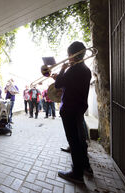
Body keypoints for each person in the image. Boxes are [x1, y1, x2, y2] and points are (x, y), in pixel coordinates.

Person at [52, 41, 93, 184]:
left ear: (73, 54)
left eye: (69, 55)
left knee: (73, 141)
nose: (68, 58)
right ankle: (83, 166)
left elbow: (58, 85)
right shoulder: (86, 70)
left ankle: (77, 173)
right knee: (80, 140)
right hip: (79, 109)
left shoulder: (72, 70)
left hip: (69, 110)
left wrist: (62, 69)